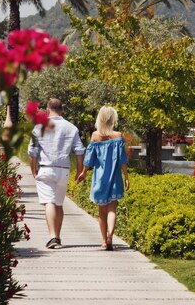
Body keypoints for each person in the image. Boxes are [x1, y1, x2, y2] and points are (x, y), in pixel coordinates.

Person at [28, 98, 85, 249]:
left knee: (49, 202)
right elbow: (79, 150)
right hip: (63, 170)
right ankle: (57, 236)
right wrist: (80, 170)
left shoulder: (39, 127)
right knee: (59, 203)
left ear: (47, 109)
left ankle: (53, 236)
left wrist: (33, 168)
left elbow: (32, 151)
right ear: (62, 109)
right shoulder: (71, 127)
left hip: (46, 168)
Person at [77, 106, 129, 251]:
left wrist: (84, 172)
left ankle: (103, 241)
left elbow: (88, 158)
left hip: (99, 178)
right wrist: (126, 177)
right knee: (113, 208)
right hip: (115, 177)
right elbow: (122, 160)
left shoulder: (95, 136)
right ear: (113, 119)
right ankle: (110, 236)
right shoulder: (118, 136)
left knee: (102, 211)